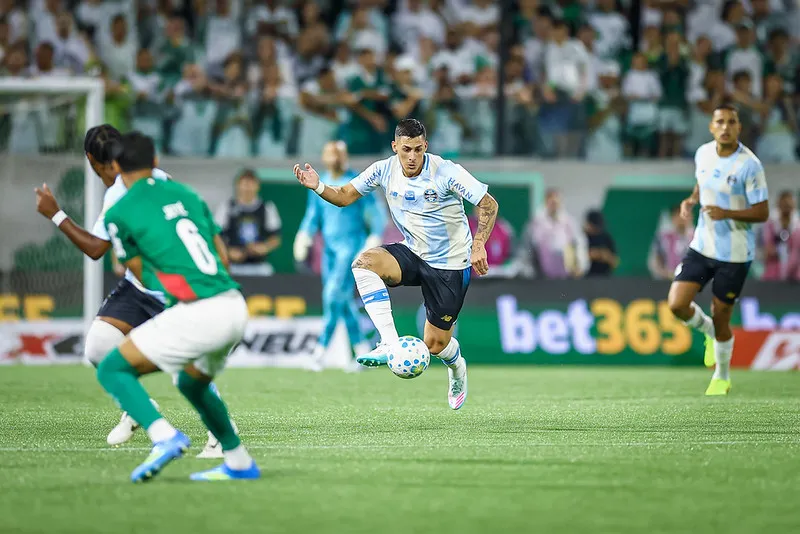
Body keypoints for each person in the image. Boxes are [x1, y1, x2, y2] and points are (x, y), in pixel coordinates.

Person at [33, 125, 225, 458]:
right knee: (97, 347)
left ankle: (222, 435)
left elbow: (96, 249)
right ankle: (140, 408)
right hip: (139, 286)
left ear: (91, 160)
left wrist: (56, 214)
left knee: (189, 365)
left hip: (169, 287)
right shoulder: (143, 180)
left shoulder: (127, 190)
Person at [293, 119, 499, 410]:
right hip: (413, 252)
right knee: (363, 264)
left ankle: (457, 369)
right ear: (395, 147)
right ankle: (389, 343)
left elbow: (489, 204)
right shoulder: (383, 169)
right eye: (406, 150)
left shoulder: (446, 171)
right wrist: (318, 186)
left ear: (425, 146)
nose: (412, 156)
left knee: (435, 345)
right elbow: (344, 196)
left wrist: (478, 245)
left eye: (417, 149)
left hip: (450, 263)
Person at [97, 131, 258, 483]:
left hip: (198, 311)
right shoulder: (187, 194)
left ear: (116, 167)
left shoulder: (118, 212)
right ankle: (240, 463)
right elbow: (223, 255)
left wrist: (176, 295)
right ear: (156, 162)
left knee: (111, 369)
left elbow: (138, 273)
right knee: (191, 384)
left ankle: (163, 436)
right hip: (233, 305)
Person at [667, 104, 769, 396]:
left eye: (731, 122)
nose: (725, 127)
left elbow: (762, 212)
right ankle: (708, 331)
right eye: (720, 122)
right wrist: (691, 200)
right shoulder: (703, 153)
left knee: (722, 314)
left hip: (735, 255)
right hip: (702, 246)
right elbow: (703, 183)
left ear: (739, 127)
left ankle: (722, 376)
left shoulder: (750, 165)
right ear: (712, 127)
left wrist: (728, 213)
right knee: (676, 304)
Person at [293, 141, 388, 371]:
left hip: (350, 248)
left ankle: (319, 351)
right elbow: (313, 214)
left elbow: (376, 213)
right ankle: (362, 351)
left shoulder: (356, 181)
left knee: (332, 295)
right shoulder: (320, 182)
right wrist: (304, 234)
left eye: (337, 154)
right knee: (342, 301)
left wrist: (375, 235)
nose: (333, 158)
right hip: (329, 251)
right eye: (329, 154)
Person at [215, 169, 282, 276]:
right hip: (233, 265)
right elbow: (216, 235)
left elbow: (276, 237)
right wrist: (228, 251)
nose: (247, 188)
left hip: (259, 266)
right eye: (244, 184)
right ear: (238, 186)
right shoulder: (227, 207)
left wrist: (264, 247)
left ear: (257, 186)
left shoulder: (267, 208)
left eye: (251, 184)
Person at [648, 204, 694, 280]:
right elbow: (654, 263)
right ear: (672, 218)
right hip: (666, 281)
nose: (682, 219)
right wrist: (666, 274)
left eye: (686, 215)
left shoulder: (698, 238)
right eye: (678, 215)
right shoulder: (662, 238)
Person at [761, 190, 800, 281]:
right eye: (784, 205)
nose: (786, 208)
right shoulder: (771, 224)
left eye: (789, 205)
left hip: (795, 275)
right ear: (779, 205)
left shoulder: (797, 227)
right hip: (773, 273)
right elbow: (767, 249)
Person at [584, 210, 618, 277]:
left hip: (604, 277)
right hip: (587, 277)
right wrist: (591, 254)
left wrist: (604, 255)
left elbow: (615, 262)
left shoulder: (606, 238)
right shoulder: (584, 237)